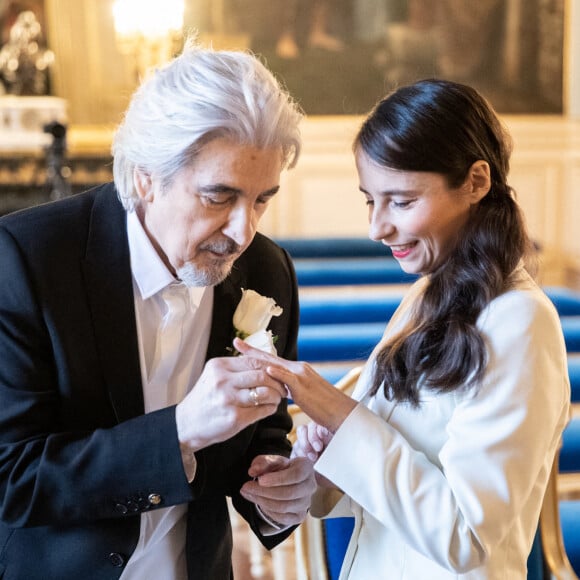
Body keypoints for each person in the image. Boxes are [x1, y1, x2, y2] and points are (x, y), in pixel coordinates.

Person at [0, 40, 316, 579]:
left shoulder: (267, 273)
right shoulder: (28, 260)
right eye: (219, 196)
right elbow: (12, 478)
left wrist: (278, 491)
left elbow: (260, 438)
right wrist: (178, 433)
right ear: (146, 177)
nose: (245, 231)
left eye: (263, 198)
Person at [235, 79, 571, 579]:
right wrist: (315, 468)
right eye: (371, 201)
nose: (377, 228)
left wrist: (339, 414)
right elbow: (394, 474)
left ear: (476, 182)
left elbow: (465, 537)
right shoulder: (427, 296)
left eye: (402, 201)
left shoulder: (520, 321)